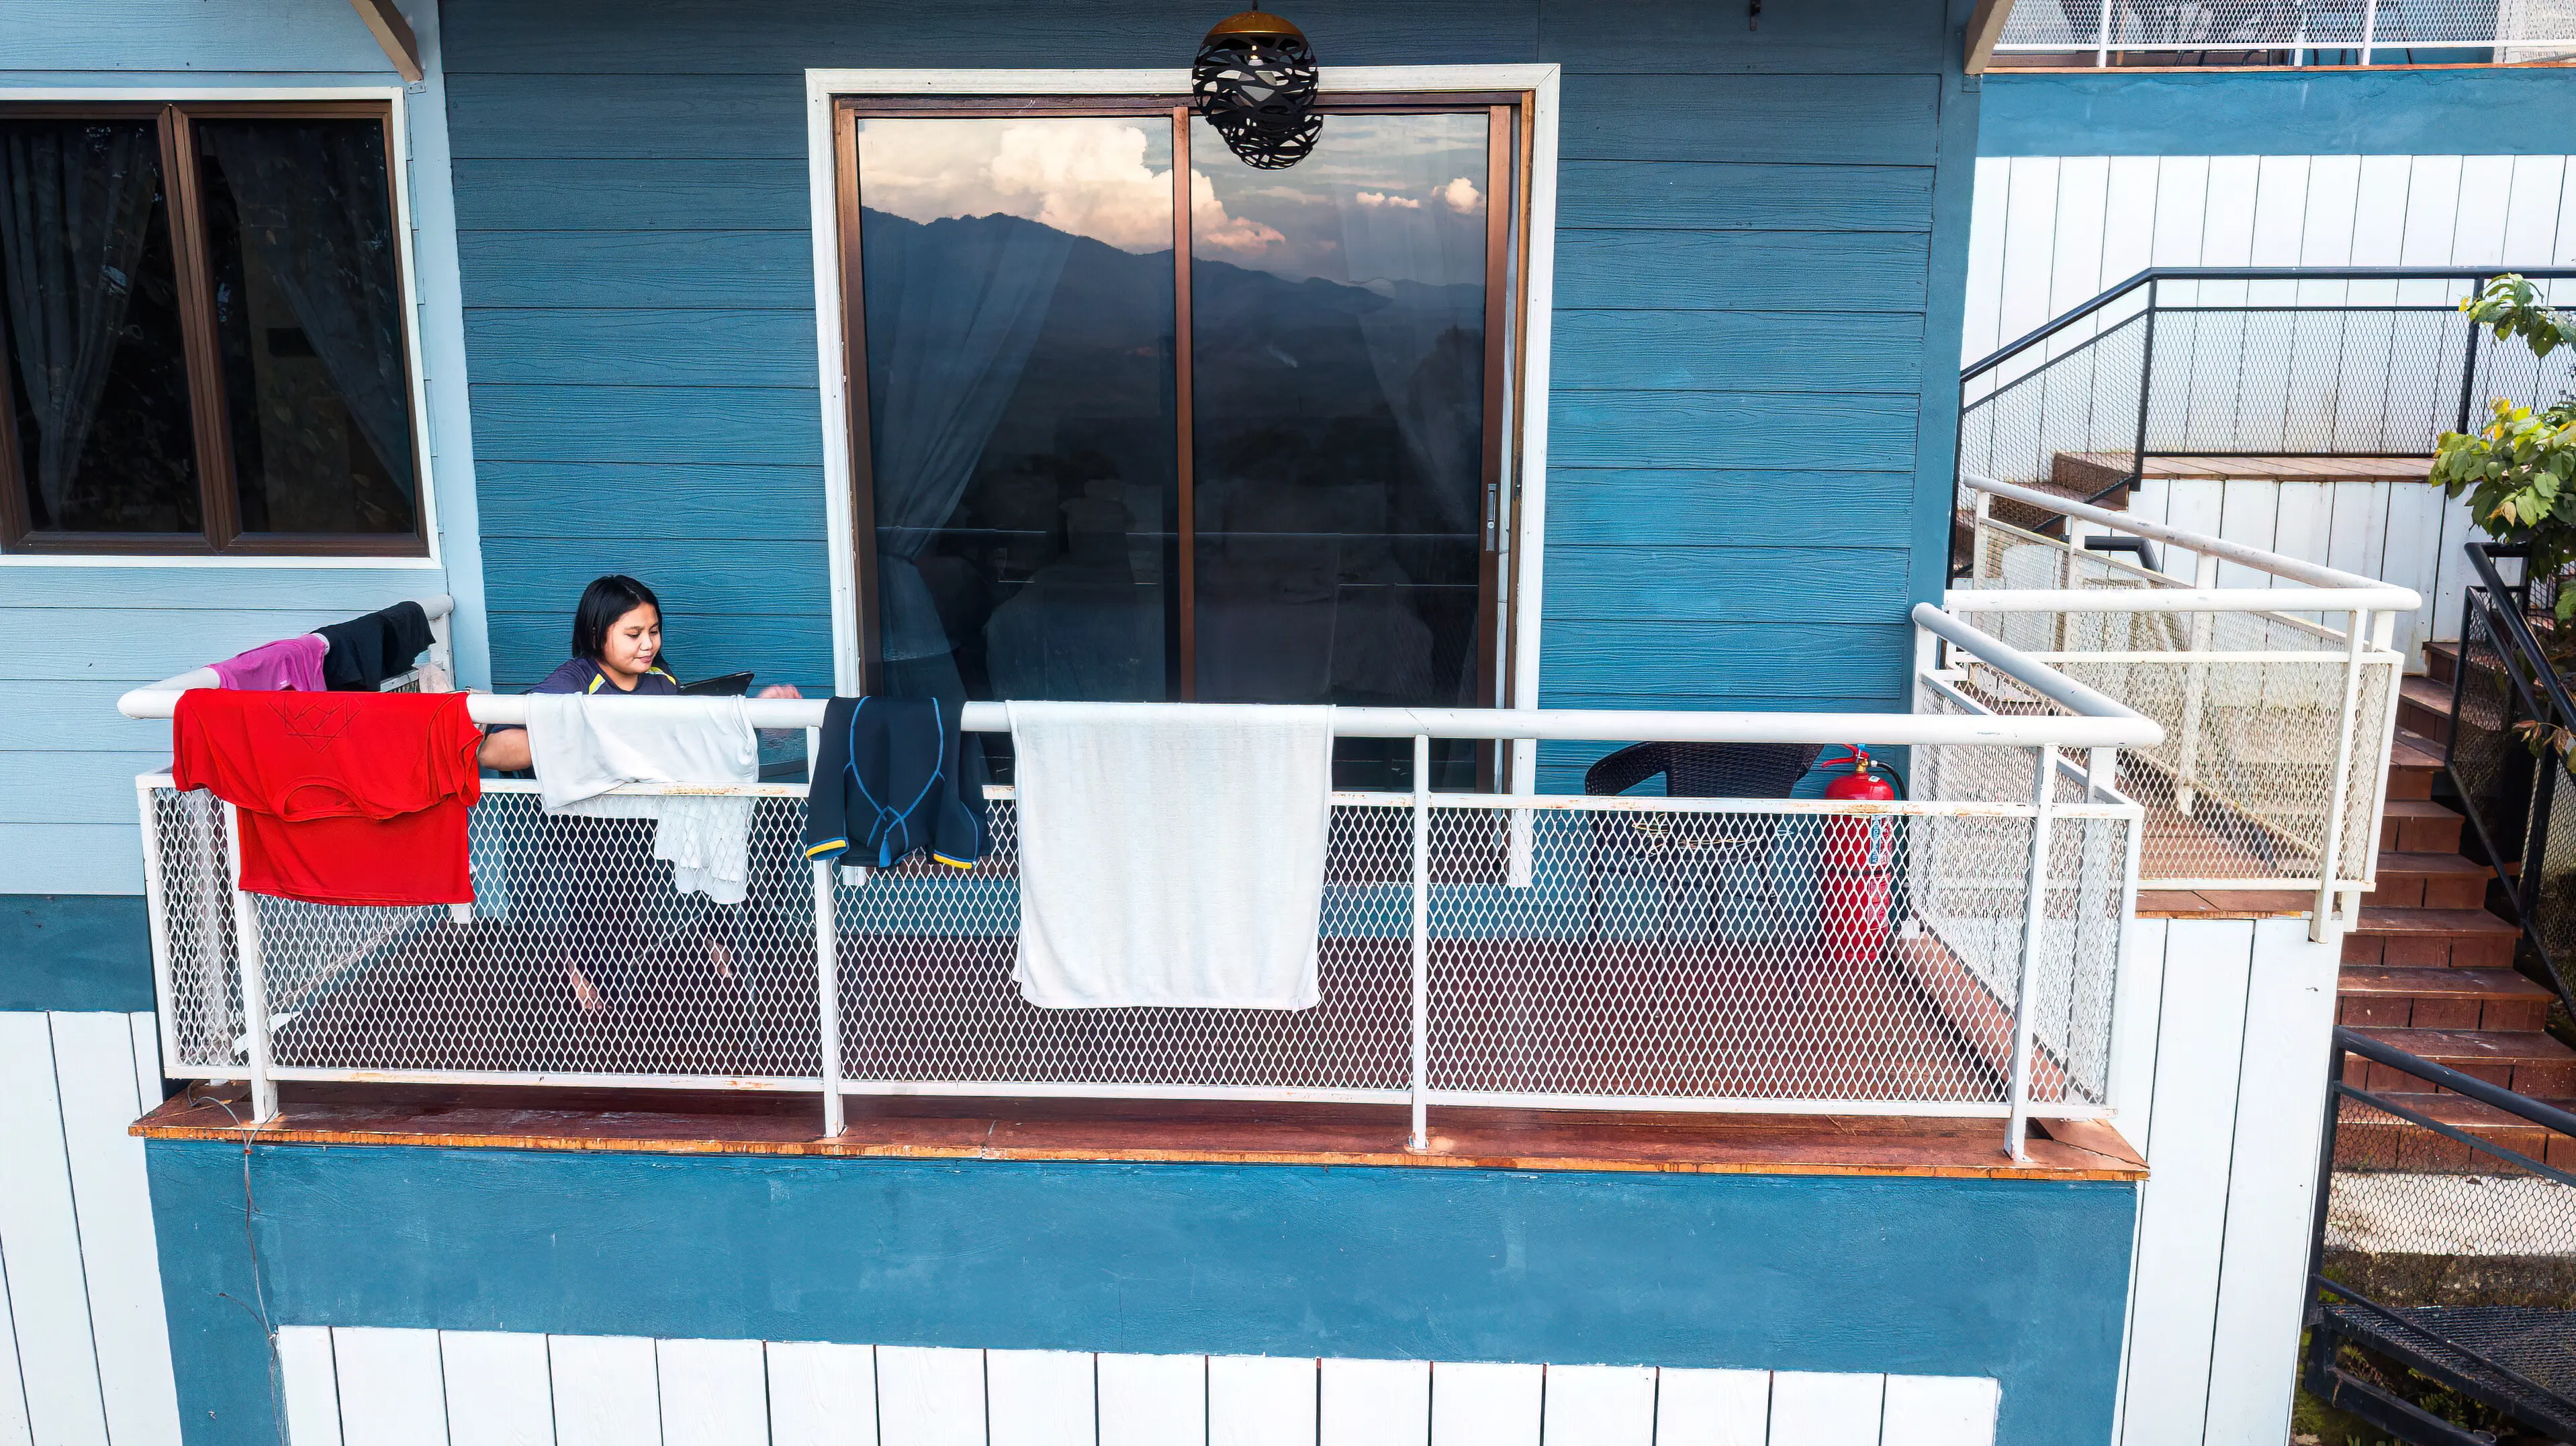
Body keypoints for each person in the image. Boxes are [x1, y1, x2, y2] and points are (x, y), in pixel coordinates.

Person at [477, 575, 801, 1018]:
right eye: (633, 634)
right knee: (615, 865)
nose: (647, 645)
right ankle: (588, 967)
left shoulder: (662, 681)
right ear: (597, 635)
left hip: (656, 806)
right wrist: (606, 737)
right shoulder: (575, 679)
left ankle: (722, 937)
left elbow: (688, 743)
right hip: (591, 821)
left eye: (653, 631)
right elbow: (496, 747)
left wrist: (759, 715)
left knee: (743, 828)